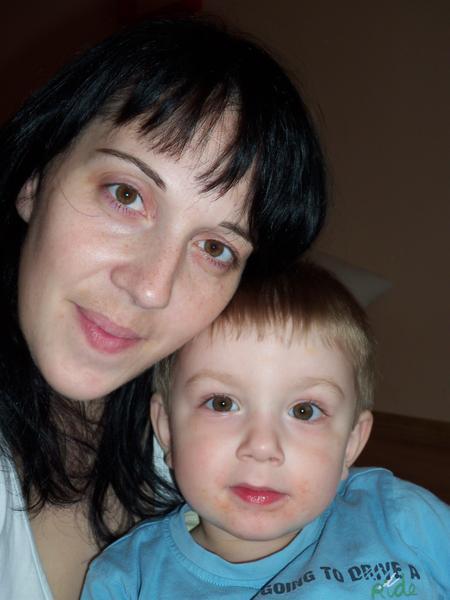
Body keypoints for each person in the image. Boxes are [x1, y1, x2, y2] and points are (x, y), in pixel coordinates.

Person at [0, 16, 327, 600]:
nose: (151, 287)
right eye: (126, 195)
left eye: (215, 248)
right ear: (35, 179)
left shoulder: (210, 452)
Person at [82, 261, 450, 599]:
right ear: (166, 428)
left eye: (304, 411)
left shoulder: (403, 519)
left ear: (352, 442)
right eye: (222, 403)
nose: (261, 446)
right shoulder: (128, 581)